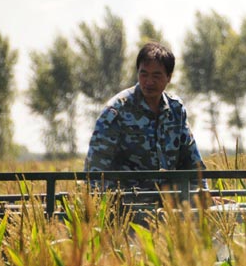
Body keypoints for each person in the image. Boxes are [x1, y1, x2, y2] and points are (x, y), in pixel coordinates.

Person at [84, 41, 207, 192]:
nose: (149, 82)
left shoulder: (175, 110)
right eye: (144, 74)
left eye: (156, 75)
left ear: (169, 77)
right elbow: (96, 166)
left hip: (169, 201)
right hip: (127, 203)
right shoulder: (117, 111)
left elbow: (191, 161)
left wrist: (202, 195)